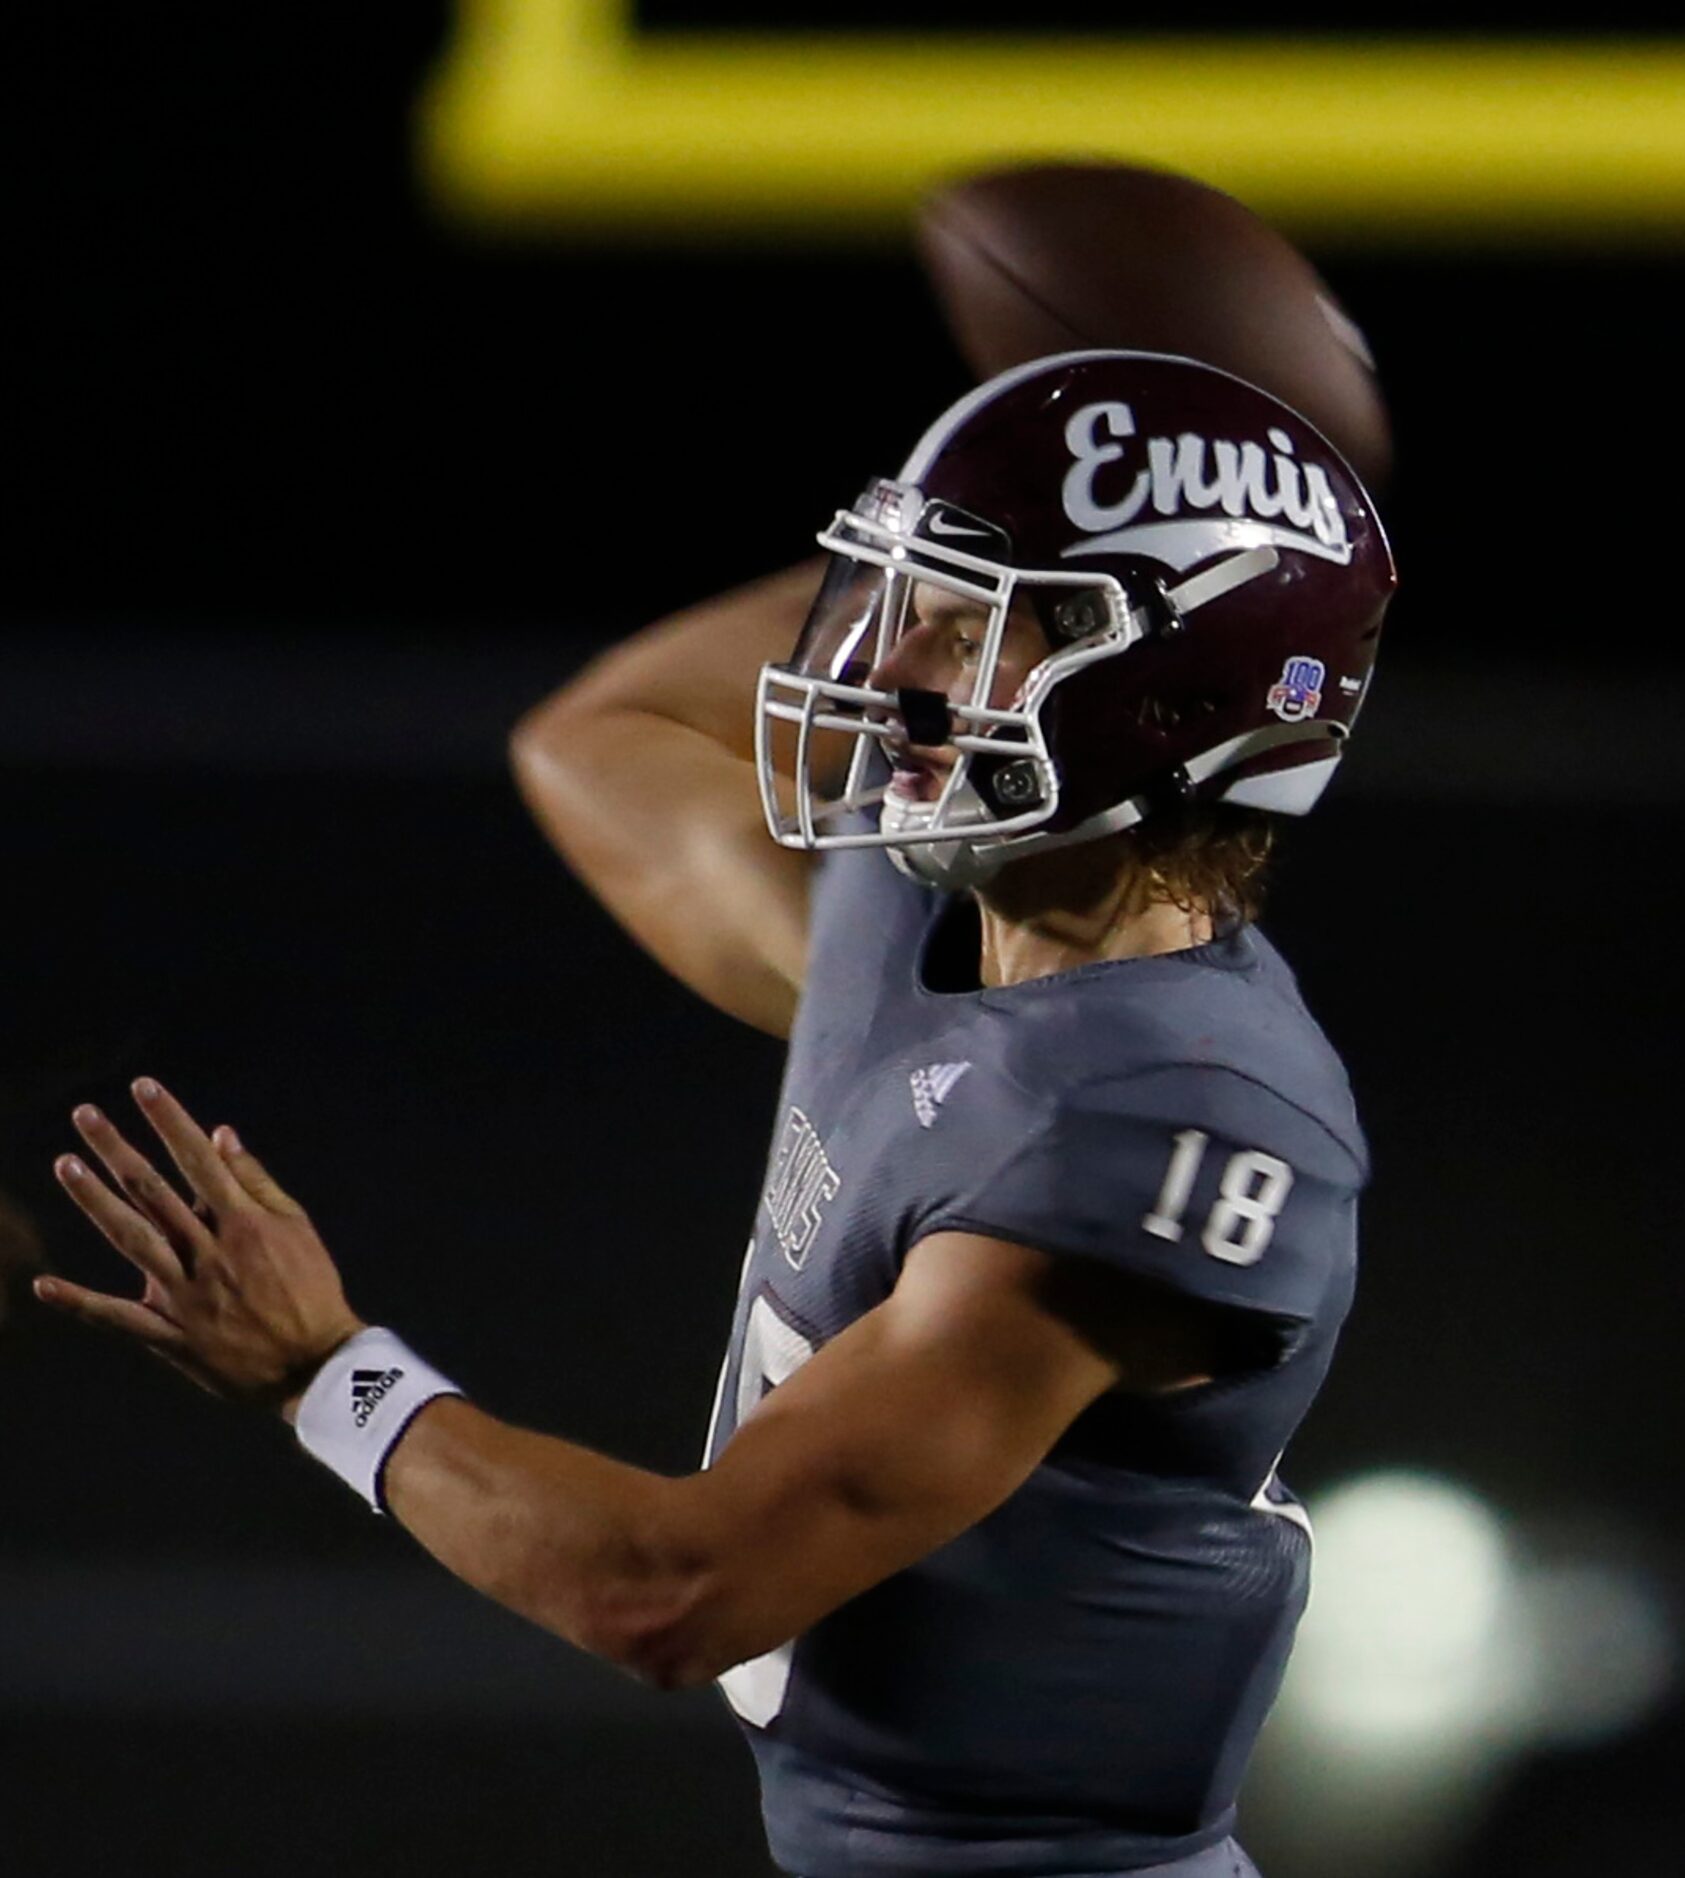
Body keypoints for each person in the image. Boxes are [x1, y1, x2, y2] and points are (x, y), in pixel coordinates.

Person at [38, 350, 1396, 1878]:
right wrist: (997, 493)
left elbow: (674, 1593)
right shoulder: (921, 913)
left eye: (974, 630)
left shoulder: (1174, 1115)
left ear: (1167, 695)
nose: (897, 673)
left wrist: (323, 1374)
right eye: (910, 611)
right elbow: (604, 737)